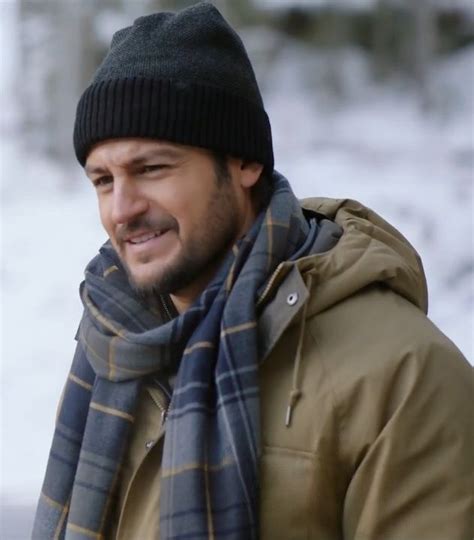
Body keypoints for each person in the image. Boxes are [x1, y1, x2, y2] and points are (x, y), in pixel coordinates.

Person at [33, 3, 473, 540]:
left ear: (245, 163)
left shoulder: (401, 374)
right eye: (103, 180)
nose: (121, 209)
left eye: (152, 169)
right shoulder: (112, 348)